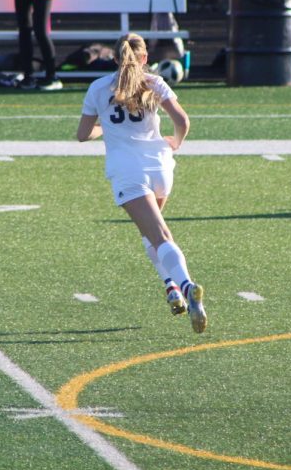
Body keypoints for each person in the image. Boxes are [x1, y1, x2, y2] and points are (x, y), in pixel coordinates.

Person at [76, 33, 206, 333]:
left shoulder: (98, 88)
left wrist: (103, 129)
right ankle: (170, 286)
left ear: (114, 58)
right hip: (161, 166)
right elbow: (182, 121)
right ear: (145, 58)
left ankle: (185, 285)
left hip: (127, 170)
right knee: (154, 234)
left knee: (158, 235)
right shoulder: (154, 82)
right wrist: (177, 141)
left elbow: (83, 134)